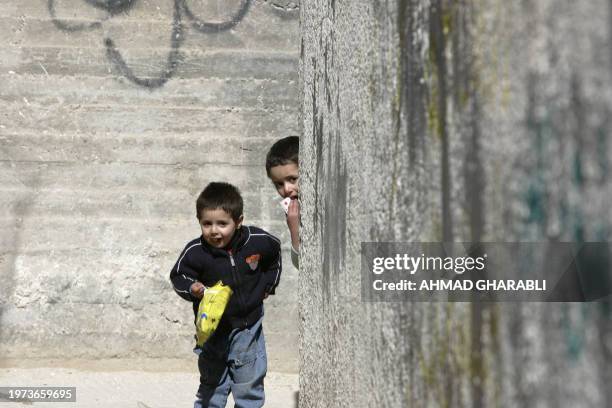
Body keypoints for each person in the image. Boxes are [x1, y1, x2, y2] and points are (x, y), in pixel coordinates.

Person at [170, 182, 282, 408]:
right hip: (212, 332)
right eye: (207, 224)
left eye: (222, 223)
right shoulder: (196, 252)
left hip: (247, 328)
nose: (214, 230)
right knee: (212, 384)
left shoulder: (258, 241)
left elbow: (275, 254)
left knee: (249, 383)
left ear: (238, 222)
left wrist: (268, 286)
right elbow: (178, 276)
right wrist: (193, 288)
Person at [265, 136, 300, 268]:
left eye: (292, 179)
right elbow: (300, 264)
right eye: (279, 184)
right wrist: (294, 229)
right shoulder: (294, 212)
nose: (286, 189)